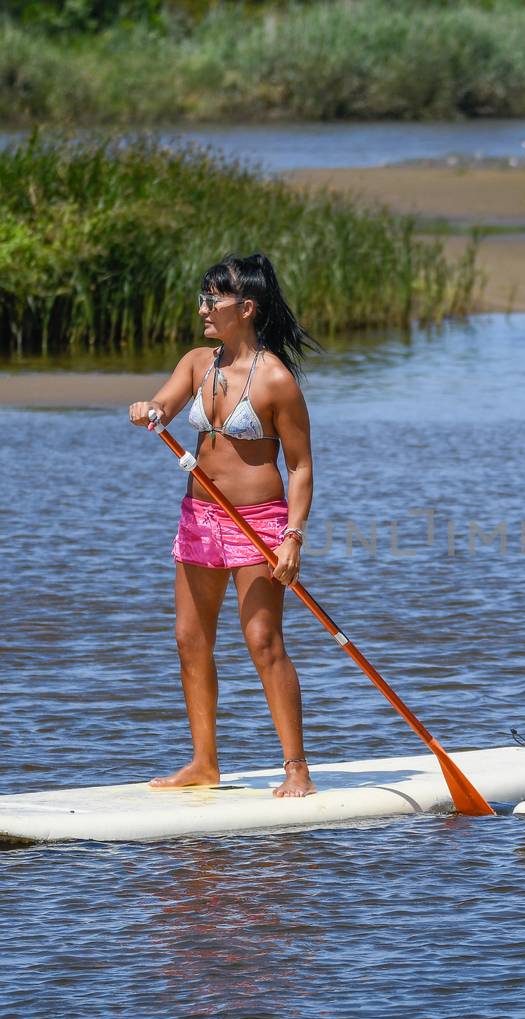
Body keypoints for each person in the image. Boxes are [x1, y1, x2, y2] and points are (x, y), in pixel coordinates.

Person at [128, 253, 318, 797]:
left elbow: (301, 466)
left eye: (214, 299)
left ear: (247, 308)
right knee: (189, 640)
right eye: (203, 297)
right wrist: (149, 410)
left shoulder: (276, 379)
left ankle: (296, 767)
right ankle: (204, 763)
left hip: (259, 524)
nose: (203, 308)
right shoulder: (197, 363)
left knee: (263, 641)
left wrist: (293, 537)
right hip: (199, 518)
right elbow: (164, 404)